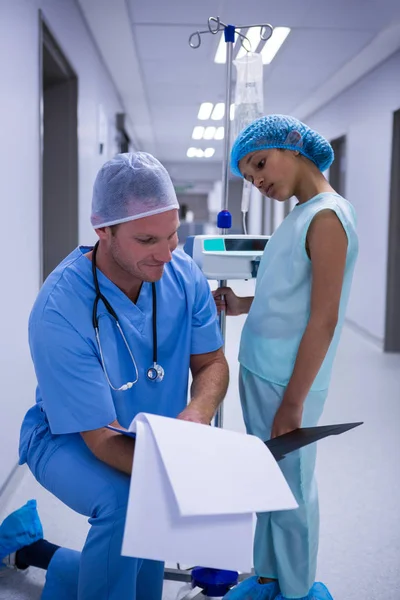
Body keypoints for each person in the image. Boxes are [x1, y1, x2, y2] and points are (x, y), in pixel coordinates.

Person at [3, 152, 229, 600]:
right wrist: (181, 475)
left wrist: (198, 413)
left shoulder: (182, 275)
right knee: (129, 506)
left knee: (143, 566)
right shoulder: (60, 310)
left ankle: (29, 550)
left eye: (173, 235)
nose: (166, 253)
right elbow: (101, 438)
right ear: (102, 231)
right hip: (67, 435)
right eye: (147, 240)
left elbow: (212, 364)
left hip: (157, 439)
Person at [213, 115, 358, 600]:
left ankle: (296, 590)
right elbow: (287, 293)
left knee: (292, 489)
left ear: (293, 145)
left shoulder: (327, 217)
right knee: (266, 480)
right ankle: (268, 578)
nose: (258, 181)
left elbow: (324, 317)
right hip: (264, 370)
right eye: (250, 178)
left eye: (260, 164)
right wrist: (241, 305)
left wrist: (293, 404)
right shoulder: (299, 215)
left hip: (287, 381)